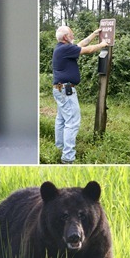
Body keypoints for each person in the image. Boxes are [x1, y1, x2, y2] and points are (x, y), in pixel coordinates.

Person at [52, 26, 108, 164]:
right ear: (66, 37)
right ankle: (68, 158)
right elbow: (87, 50)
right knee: (72, 123)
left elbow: (81, 44)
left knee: (61, 120)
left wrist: (94, 34)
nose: (73, 35)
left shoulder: (61, 48)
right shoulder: (65, 49)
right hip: (66, 90)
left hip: (59, 89)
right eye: (71, 34)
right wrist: (102, 44)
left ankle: (60, 147)